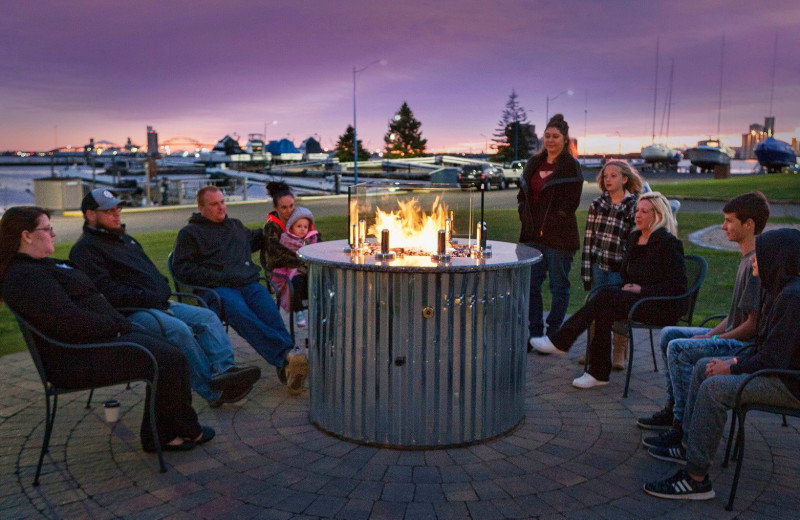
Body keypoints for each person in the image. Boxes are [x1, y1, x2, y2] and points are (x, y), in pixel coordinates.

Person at [0, 206, 214, 452]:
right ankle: (182, 430)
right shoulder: (25, 276)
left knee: (171, 350)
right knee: (168, 358)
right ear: (26, 235)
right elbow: (69, 322)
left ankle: (160, 433)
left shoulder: (39, 266)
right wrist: (117, 326)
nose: (53, 234)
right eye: (47, 229)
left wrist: (119, 326)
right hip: (76, 358)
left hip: (99, 338)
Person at [643, 228, 800, 500]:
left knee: (714, 388)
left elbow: (774, 358)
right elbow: (764, 348)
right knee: (706, 366)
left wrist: (733, 367)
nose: (753, 259)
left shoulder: (792, 298)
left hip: (788, 384)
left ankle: (696, 479)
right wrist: (733, 361)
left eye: (760, 256)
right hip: (772, 370)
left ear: (778, 258)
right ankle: (686, 443)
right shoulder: (778, 289)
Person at [69, 188, 262, 408]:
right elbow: (108, 293)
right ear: (90, 215)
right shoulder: (85, 250)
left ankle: (226, 372)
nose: (116, 214)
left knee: (206, 317)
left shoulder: (125, 240)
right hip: (131, 312)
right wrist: (148, 297)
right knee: (179, 330)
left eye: (117, 208)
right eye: (107, 211)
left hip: (158, 303)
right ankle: (213, 390)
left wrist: (160, 286)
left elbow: (149, 271)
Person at [637, 192, 769, 448]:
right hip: (729, 335)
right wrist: (707, 335)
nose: (723, 226)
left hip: (742, 346)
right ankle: (674, 407)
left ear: (749, 224)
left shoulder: (757, 265)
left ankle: (681, 425)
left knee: (680, 348)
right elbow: (733, 317)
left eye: (730, 221)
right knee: (670, 334)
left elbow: (752, 326)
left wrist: (716, 338)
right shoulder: (745, 259)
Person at [531, 192, 687, 389]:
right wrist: (629, 287)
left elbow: (677, 288)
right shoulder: (634, 239)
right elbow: (627, 276)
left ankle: (561, 341)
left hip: (659, 305)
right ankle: (598, 373)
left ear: (658, 215)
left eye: (644, 211)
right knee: (603, 309)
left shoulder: (668, 243)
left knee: (604, 296)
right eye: (637, 210)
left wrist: (641, 289)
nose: (637, 215)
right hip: (636, 301)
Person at [172, 185, 308, 396]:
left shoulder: (235, 226)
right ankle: (286, 357)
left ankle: (289, 364)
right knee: (241, 313)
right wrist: (218, 277)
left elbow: (261, 238)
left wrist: (283, 224)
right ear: (201, 207)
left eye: (222, 202)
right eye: (214, 204)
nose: (221, 208)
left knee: (268, 309)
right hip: (217, 289)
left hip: (248, 284)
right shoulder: (190, 233)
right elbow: (182, 268)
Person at [517, 114, 584, 350]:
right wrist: (524, 214)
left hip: (559, 239)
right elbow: (522, 194)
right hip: (532, 238)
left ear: (565, 140)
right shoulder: (534, 163)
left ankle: (554, 336)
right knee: (531, 285)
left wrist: (555, 221)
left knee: (558, 286)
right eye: (547, 136)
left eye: (556, 136)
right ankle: (535, 335)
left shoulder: (570, 167)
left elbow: (570, 202)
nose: (551, 140)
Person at [578, 159, 643, 369]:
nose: (608, 179)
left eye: (613, 176)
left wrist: (632, 272)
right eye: (605, 176)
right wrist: (587, 271)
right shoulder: (597, 205)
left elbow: (636, 242)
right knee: (595, 306)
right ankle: (594, 349)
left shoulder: (634, 206)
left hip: (620, 270)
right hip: (599, 266)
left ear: (625, 179)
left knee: (619, 309)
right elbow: (589, 239)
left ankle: (619, 351)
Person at [261, 181, 311, 315]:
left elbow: (313, 239)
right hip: (281, 273)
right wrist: (306, 264)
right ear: (275, 207)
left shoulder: (299, 221)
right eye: (284, 207)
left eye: (291, 206)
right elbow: (279, 255)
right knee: (307, 283)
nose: (289, 211)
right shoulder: (272, 227)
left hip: (303, 268)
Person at [271, 206, 320, 328]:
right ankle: (299, 312)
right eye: (299, 226)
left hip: (309, 272)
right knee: (296, 283)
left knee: (319, 282)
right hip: (292, 272)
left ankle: (320, 314)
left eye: (305, 226)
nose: (303, 229)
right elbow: (284, 258)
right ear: (291, 226)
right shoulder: (286, 240)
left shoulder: (312, 239)